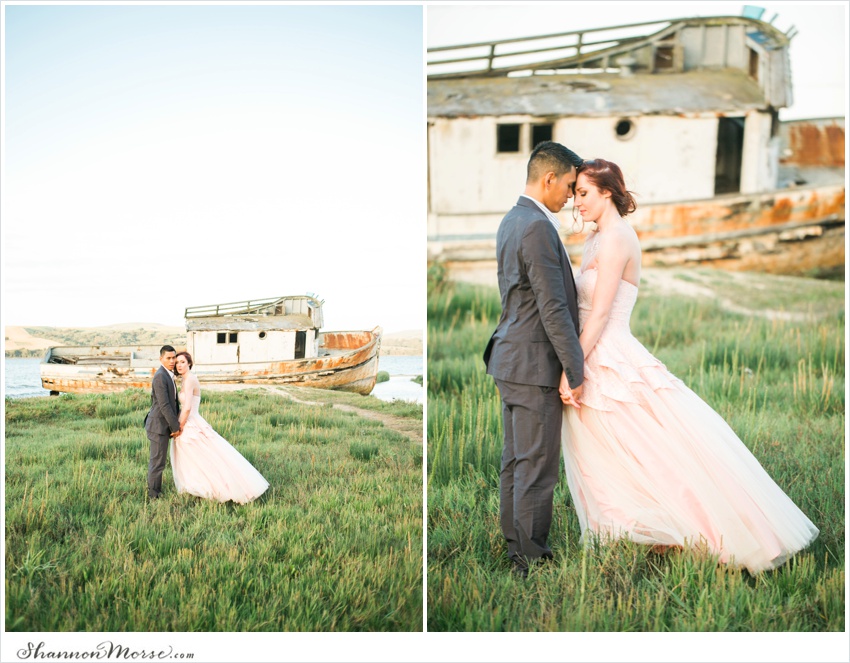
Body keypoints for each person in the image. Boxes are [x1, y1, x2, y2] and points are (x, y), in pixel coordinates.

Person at [561, 158, 819, 573]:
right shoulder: (595, 239)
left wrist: (572, 368)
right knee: (608, 453)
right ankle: (644, 532)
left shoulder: (616, 239)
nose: (577, 201)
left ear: (607, 191)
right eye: (575, 194)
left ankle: (700, 531)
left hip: (610, 355)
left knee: (652, 451)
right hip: (595, 353)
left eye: (584, 193)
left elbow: (599, 316)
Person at [483, 141, 585, 578]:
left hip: (510, 359)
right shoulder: (538, 227)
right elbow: (553, 306)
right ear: (548, 179)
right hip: (532, 364)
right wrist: (576, 369)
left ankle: (516, 547)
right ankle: (530, 560)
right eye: (568, 185)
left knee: (516, 461)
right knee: (537, 467)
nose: (570, 195)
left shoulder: (513, 219)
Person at [171, 351, 269, 504]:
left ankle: (212, 487)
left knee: (203, 456)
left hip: (191, 421)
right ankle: (196, 484)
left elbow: (188, 407)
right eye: (177, 363)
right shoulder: (185, 380)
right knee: (194, 456)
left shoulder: (190, 379)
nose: (179, 365)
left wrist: (179, 427)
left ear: (189, 363)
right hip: (189, 420)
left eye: (182, 362)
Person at [145, 345, 181, 499]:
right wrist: (176, 427)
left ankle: (156, 491)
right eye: (169, 358)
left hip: (163, 424)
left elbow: (173, 402)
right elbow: (164, 405)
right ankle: (154, 494)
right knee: (157, 462)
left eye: (174, 357)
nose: (172, 361)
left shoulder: (169, 374)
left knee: (159, 461)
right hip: (158, 426)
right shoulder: (160, 376)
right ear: (161, 359)